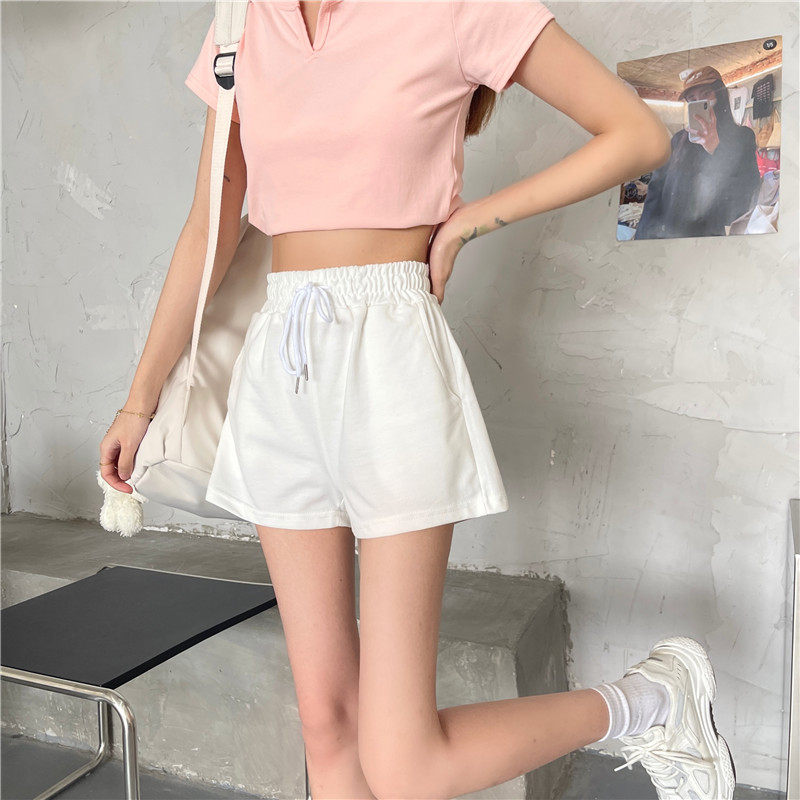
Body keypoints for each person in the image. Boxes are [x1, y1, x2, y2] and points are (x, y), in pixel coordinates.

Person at [99, 2, 736, 797]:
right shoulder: (242, 19)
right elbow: (211, 222)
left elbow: (637, 134)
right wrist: (139, 400)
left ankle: (653, 699)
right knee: (326, 724)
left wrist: (468, 223)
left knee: (403, 763)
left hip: (389, 352)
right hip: (277, 361)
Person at [635, 65, 761, 239]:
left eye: (706, 94)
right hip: (671, 234)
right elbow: (657, 188)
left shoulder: (742, 137)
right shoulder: (678, 140)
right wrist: (643, 234)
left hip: (710, 237)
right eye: (692, 98)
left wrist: (716, 148)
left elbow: (747, 190)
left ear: (720, 95)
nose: (699, 102)